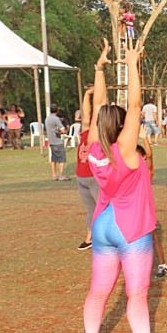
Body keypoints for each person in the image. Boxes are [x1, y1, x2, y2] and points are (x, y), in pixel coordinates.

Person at [80, 37, 167, 333]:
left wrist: (100, 68)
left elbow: (101, 103)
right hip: (129, 227)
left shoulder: (94, 147)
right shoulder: (125, 150)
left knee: (99, 289)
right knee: (137, 294)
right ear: (120, 128)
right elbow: (134, 106)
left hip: (103, 224)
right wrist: (131, 64)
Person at [133, 134, 167, 279]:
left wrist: (144, 139)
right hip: (132, 211)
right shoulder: (129, 173)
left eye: (140, 157)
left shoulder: (146, 172)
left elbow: (149, 155)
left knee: (153, 237)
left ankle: (162, 265)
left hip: (146, 210)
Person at [75, 89, 97, 250]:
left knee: (97, 209)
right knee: (95, 209)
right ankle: (92, 238)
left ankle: (94, 238)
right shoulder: (89, 133)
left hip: (87, 177)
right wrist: (87, 95)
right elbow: (87, 114)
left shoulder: (95, 135)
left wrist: (89, 96)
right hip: (85, 177)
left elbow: (90, 114)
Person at [46, 104, 68, 181]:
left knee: (54, 158)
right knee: (62, 158)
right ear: (57, 110)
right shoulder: (56, 119)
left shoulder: (47, 119)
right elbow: (63, 130)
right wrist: (63, 131)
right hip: (57, 141)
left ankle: (54, 175)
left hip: (51, 141)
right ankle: (61, 175)